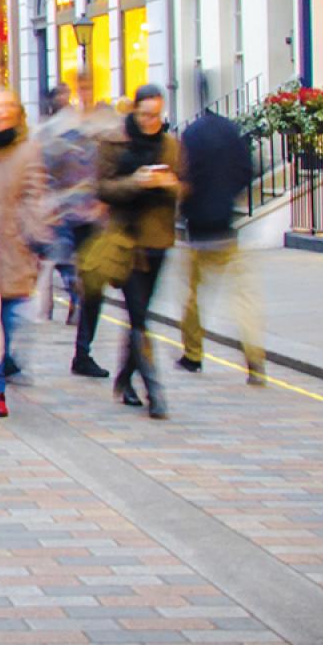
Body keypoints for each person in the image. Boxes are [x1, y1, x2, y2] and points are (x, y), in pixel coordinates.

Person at [94, 84, 184, 419]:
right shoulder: (114, 143)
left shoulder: (170, 145)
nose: (151, 122)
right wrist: (137, 181)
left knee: (139, 315)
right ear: (134, 112)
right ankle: (155, 391)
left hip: (158, 241)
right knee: (139, 317)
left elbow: (184, 187)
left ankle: (123, 379)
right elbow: (102, 187)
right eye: (145, 115)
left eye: (157, 116)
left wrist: (170, 184)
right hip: (126, 243)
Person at [0, 88, 49, 419]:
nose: (1, 113)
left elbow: (35, 194)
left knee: (8, 318)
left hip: (16, 247)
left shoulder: (29, 151)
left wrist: (37, 234)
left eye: (7, 107)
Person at [179, 106, 266, 383]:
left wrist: (188, 208)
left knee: (193, 298)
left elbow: (184, 176)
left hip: (199, 230)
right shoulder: (231, 132)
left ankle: (193, 356)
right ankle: (254, 358)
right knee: (242, 299)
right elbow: (247, 169)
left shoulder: (191, 135)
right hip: (226, 227)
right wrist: (228, 196)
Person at [40, 77, 118, 376]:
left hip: (95, 219)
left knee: (92, 288)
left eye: (90, 88)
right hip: (65, 219)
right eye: (81, 88)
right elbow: (45, 169)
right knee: (68, 279)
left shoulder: (107, 125)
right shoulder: (58, 128)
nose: (85, 94)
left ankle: (83, 352)